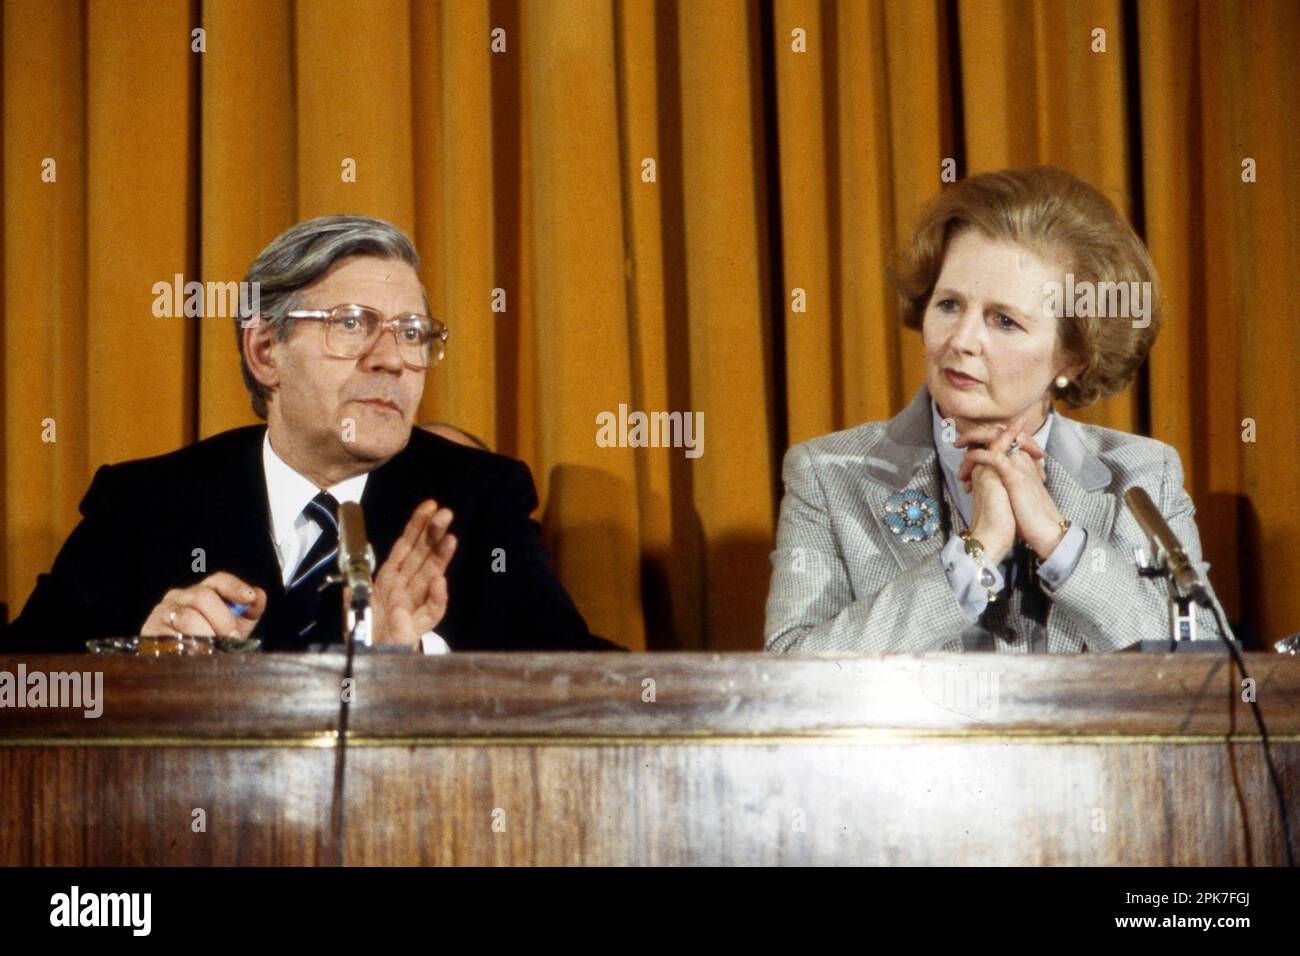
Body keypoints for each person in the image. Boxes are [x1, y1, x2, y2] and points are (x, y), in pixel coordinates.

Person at [8, 215, 614, 653]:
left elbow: (576, 681)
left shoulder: (474, 500)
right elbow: (23, 678)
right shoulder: (145, 503)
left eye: (411, 332)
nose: (393, 359)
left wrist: (414, 659)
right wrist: (142, 660)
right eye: (351, 324)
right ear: (266, 351)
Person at [765, 167, 1234, 653]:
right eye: (949, 305)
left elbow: (1202, 669)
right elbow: (791, 672)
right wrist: (974, 553)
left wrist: (1061, 544)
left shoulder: (1140, 477)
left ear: (1074, 356)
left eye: (1004, 321)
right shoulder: (828, 474)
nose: (962, 341)